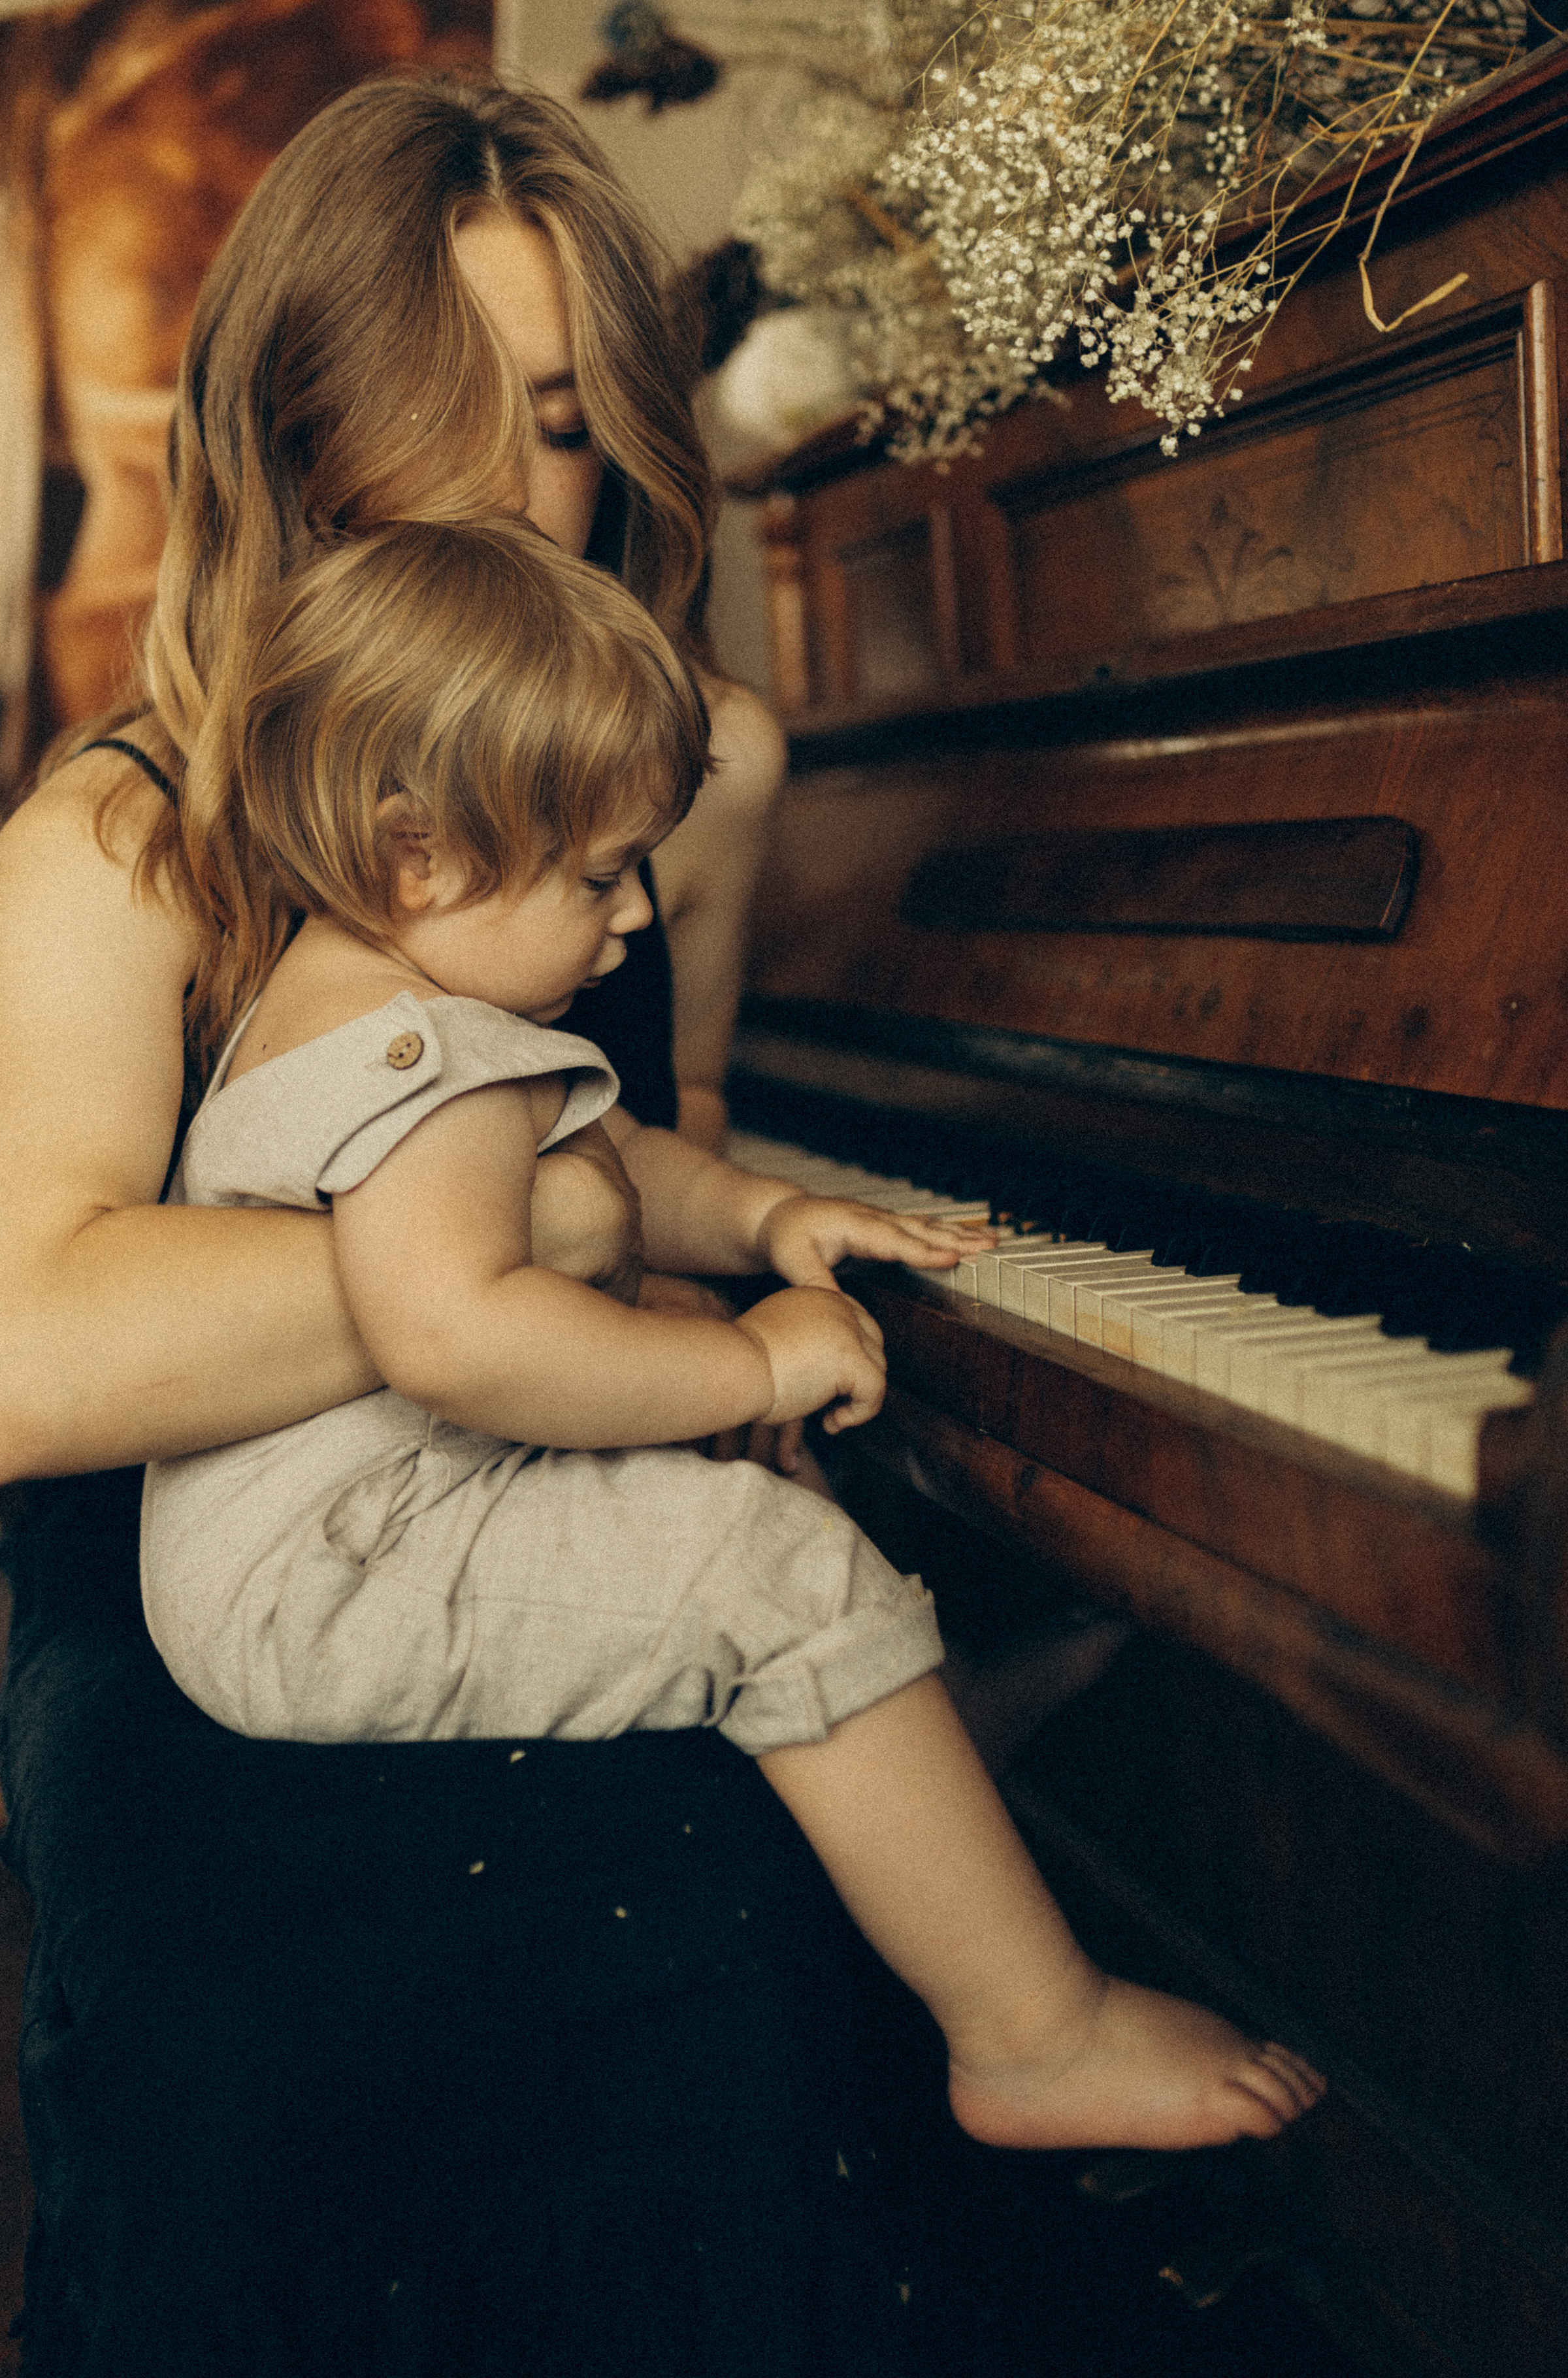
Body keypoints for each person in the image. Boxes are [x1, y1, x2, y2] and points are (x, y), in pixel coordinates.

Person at [0, 76, 1305, 2377]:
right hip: (193, 1607)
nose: (500, 482)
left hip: (544, 1465)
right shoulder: (128, 830)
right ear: (296, 440)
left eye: (558, 419)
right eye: (436, 409)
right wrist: (536, 1249)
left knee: (752, 1903)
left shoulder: (702, 769)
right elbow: (19, 1372)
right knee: (304, 2011)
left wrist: (706, 1274)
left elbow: (670, 1117)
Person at [141, 511, 1322, 2159]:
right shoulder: (419, 1065)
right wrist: (754, 1362)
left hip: (340, 1526)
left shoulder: (386, 992)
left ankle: (906, 1741)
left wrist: (767, 1221)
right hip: (330, 1577)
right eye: (596, 875)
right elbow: (458, 1339)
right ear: (417, 856)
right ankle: (1029, 2036)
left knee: (733, 1478)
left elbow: (610, 1156)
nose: (634, 916)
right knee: (772, 1566)